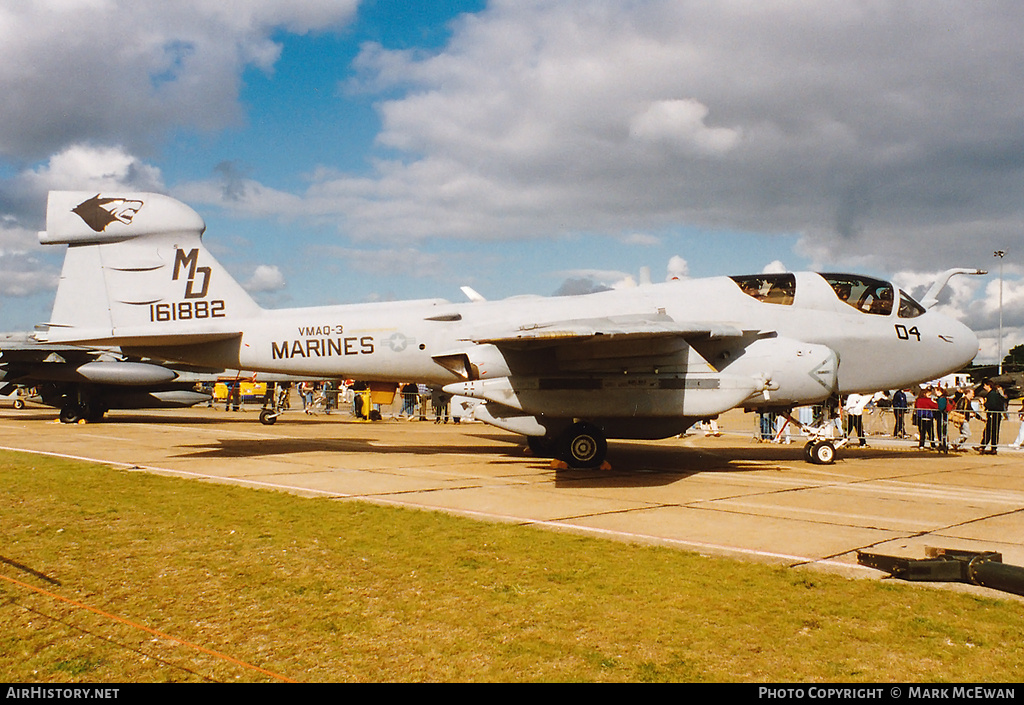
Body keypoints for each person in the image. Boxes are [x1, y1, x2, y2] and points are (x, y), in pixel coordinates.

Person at [978, 380, 1007, 455]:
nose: (984, 387)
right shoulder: (994, 393)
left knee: (989, 431)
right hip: (995, 415)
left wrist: (984, 403)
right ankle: (992, 447)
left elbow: (992, 405)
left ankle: (984, 446)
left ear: (988, 385)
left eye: (984, 385)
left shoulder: (992, 394)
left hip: (993, 415)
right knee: (993, 431)